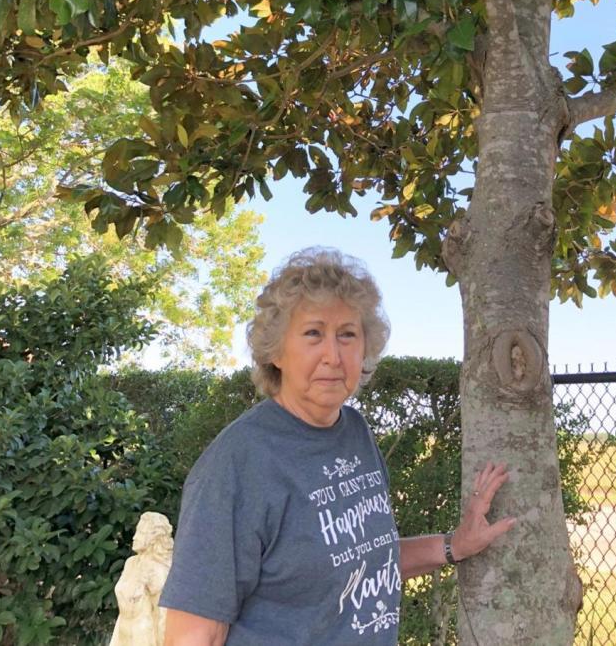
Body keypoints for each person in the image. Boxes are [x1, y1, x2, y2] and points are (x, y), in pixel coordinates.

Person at [161, 248, 514, 645]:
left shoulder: (355, 432)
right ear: (276, 351)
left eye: (347, 334)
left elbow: (363, 561)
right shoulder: (238, 463)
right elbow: (194, 633)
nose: (333, 355)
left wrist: (454, 545)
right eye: (313, 333)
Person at [110, 511, 173, 646]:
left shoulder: (157, 570)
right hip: (123, 634)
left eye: (141, 532)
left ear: (154, 537)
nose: (135, 537)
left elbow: (162, 616)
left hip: (144, 637)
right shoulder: (131, 563)